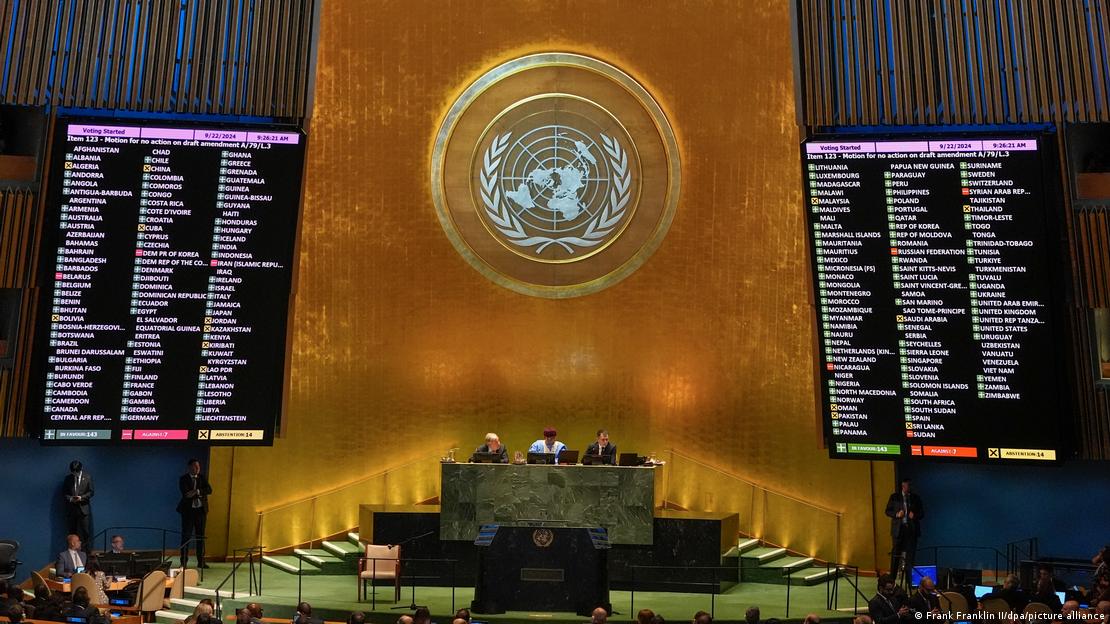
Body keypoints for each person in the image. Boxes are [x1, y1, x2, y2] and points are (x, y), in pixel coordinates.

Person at [884, 478, 924, 578]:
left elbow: (922, 513)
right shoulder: (894, 497)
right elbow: (887, 511)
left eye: (910, 485)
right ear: (903, 486)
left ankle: (909, 580)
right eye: (907, 485)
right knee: (895, 555)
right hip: (898, 530)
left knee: (910, 556)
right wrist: (897, 514)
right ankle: (892, 578)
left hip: (911, 530)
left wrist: (914, 515)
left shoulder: (916, 498)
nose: (909, 487)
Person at [177, 458, 213, 568]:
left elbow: (209, 490)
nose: (197, 469)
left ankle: (201, 561)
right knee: (186, 537)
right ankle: (183, 562)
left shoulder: (202, 478)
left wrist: (197, 491)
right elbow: (186, 494)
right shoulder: (183, 479)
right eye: (195, 466)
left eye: (198, 467)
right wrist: (200, 492)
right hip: (188, 511)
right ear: (190, 467)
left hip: (201, 511)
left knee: (200, 537)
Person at [63, 460, 94, 547]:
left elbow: (91, 492)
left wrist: (81, 498)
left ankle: (86, 553)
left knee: (85, 532)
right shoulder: (68, 479)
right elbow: (64, 493)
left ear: (81, 469)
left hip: (84, 509)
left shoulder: (88, 477)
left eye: (77, 472)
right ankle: (72, 554)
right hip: (72, 509)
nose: (75, 474)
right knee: (72, 533)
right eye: (73, 472)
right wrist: (70, 499)